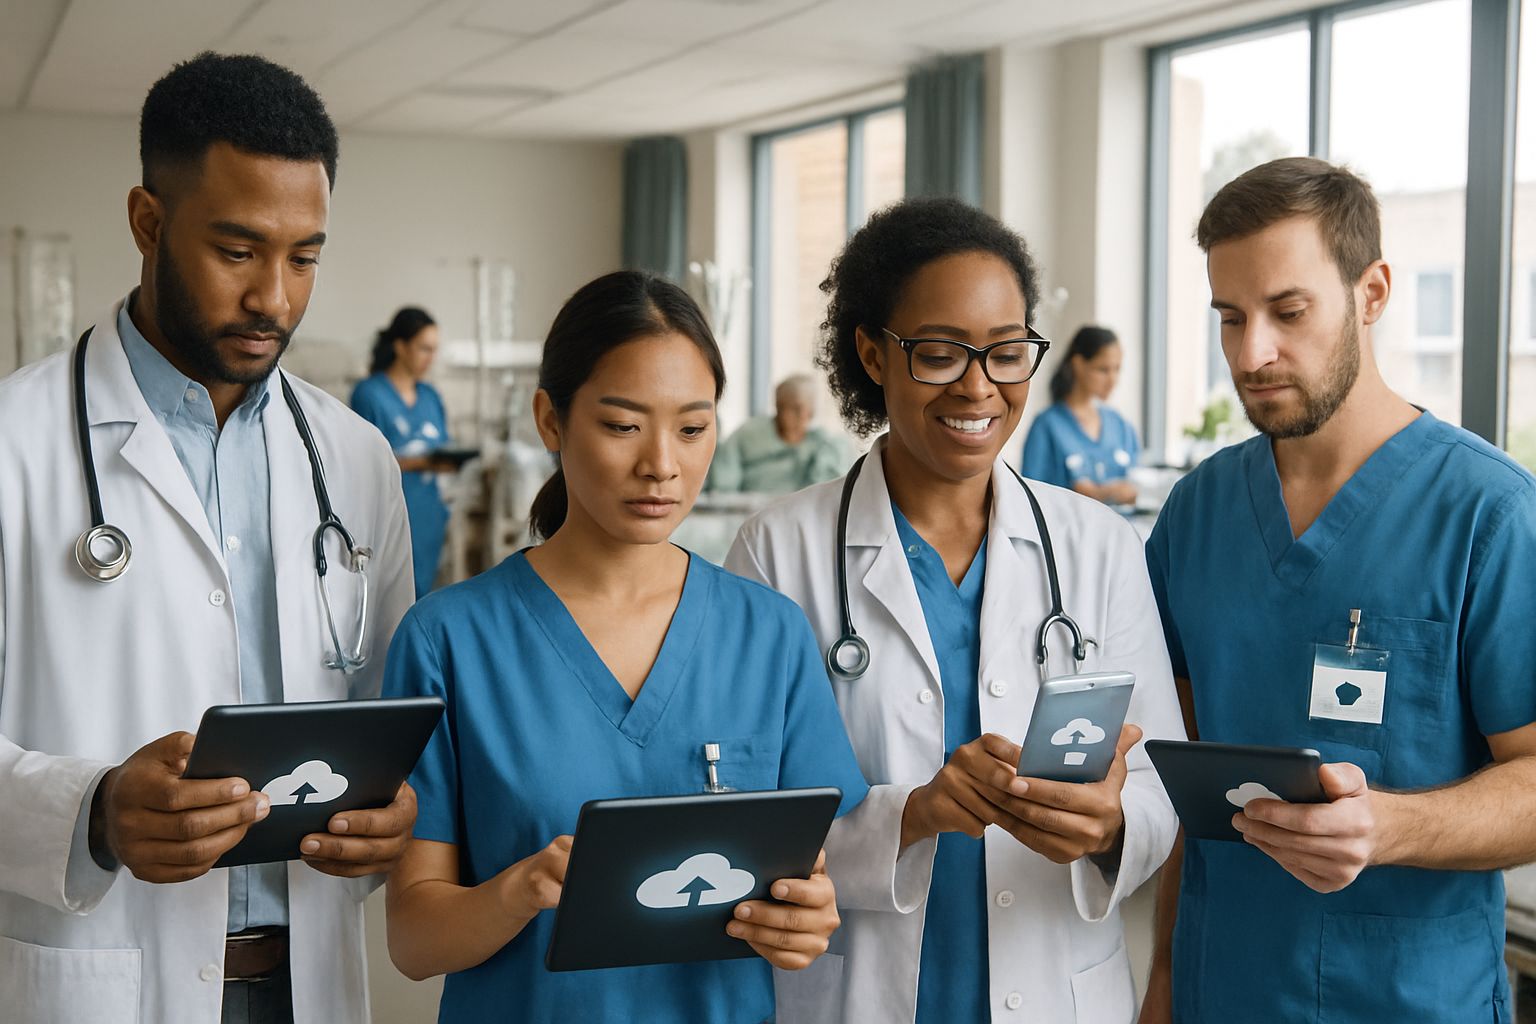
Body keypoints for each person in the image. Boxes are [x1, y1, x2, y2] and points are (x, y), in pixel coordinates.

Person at [0, 53, 418, 1024]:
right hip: (101, 979)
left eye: (305, 258)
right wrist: (92, 810)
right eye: (238, 251)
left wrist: (398, 814)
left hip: (306, 978)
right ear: (149, 223)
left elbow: (389, 717)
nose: (275, 297)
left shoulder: (355, 458)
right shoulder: (15, 444)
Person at [726, 198, 1185, 1023]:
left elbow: (1159, 787)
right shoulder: (778, 552)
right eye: (939, 354)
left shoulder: (1098, 547)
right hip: (856, 995)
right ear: (873, 353)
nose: (979, 387)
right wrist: (911, 816)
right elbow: (744, 816)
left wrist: (1110, 826)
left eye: (1007, 354)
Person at [382, 270, 871, 1023]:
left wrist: (805, 923)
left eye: (692, 429)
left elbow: (809, 883)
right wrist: (518, 892)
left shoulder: (768, 634)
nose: (661, 465)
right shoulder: (449, 640)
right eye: (621, 426)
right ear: (551, 421)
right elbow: (414, 942)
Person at [1139, 157, 1536, 1024]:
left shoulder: (1489, 514)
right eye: (1230, 318)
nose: (1252, 353)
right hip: (1221, 988)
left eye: (1289, 312)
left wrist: (1389, 827)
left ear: (1372, 293)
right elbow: (1181, 777)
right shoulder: (1198, 514)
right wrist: (1164, 979)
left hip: (1410, 998)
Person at [351, 307, 453, 599]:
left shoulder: (430, 397)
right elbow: (362, 458)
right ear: (400, 346)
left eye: (434, 350)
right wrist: (420, 462)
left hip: (428, 514)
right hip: (388, 513)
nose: (430, 358)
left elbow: (445, 445)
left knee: (421, 595)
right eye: (424, 348)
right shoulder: (369, 394)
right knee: (387, 598)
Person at [1021, 326, 1140, 505]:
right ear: (1078, 364)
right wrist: (1094, 494)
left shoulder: (1121, 426)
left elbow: (1137, 487)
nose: (1112, 380)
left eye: (1117, 369)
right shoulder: (1046, 426)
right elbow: (1031, 497)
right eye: (1103, 370)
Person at [706, 374, 846, 493]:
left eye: (810, 410)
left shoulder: (823, 444)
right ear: (778, 406)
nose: (804, 415)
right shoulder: (748, 436)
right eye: (795, 408)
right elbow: (723, 487)